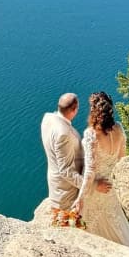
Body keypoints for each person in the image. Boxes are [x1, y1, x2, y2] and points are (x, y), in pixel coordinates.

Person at [78, 91, 129, 246]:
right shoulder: (118, 129)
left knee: (91, 226)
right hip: (110, 187)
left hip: (96, 190)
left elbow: (90, 171)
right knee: (116, 222)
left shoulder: (91, 134)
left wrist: (80, 198)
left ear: (93, 111)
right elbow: (121, 159)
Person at [40, 92, 85, 226]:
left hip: (55, 181)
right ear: (74, 109)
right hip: (66, 190)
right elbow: (66, 171)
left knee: (63, 222)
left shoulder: (48, 118)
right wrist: (88, 185)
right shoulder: (63, 134)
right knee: (71, 225)